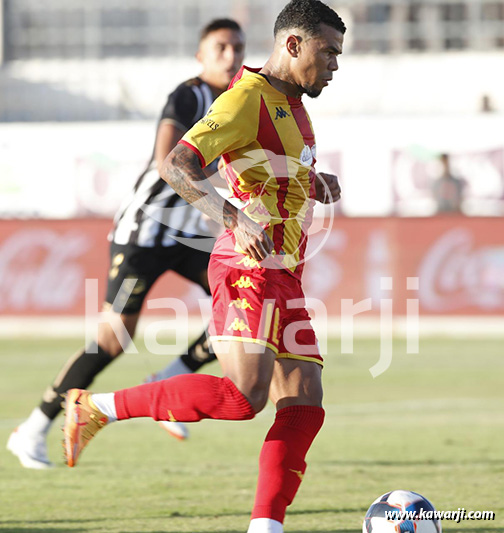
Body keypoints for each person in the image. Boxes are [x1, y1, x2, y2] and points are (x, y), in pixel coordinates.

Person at [63, 1, 345, 532]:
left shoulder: (296, 107)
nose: (334, 65)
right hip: (247, 266)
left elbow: (269, 172)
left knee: (305, 401)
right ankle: (97, 405)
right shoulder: (244, 99)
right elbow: (178, 165)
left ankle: (267, 526)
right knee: (244, 397)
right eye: (327, 51)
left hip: (285, 274)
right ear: (292, 44)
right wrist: (235, 219)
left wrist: (316, 183)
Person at [7, 18, 246, 469]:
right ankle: (33, 428)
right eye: (220, 47)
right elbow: (165, 163)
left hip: (189, 230)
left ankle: (171, 377)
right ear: (201, 55)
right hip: (145, 231)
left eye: (237, 47)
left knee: (237, 310)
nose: (230, 55)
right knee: (112, 339)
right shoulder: (190, 94)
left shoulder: (238, 102)